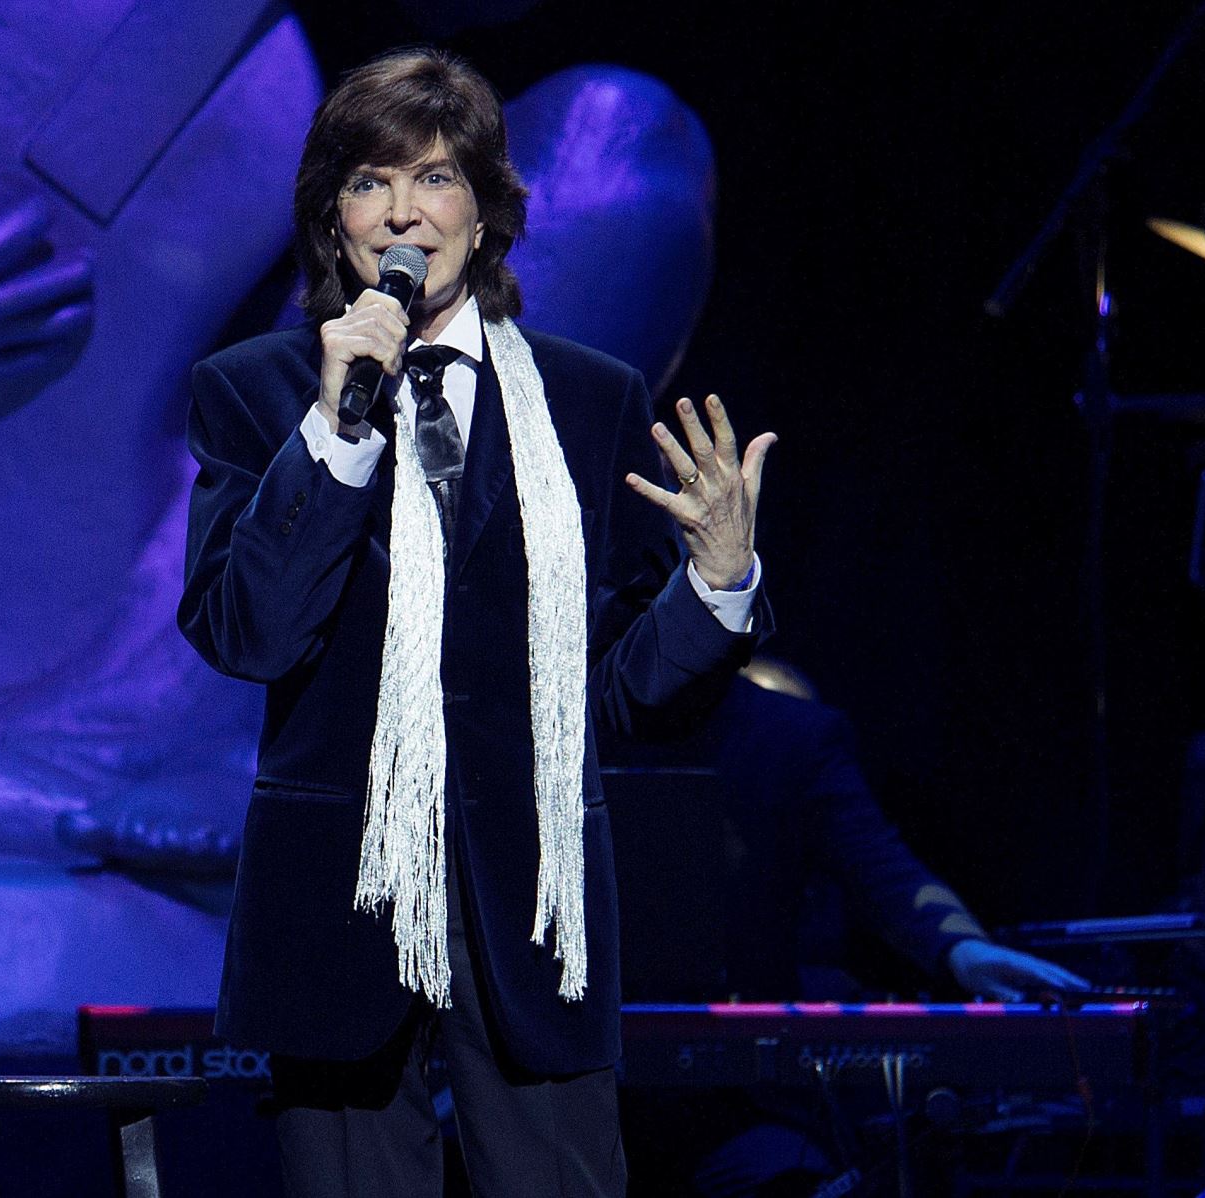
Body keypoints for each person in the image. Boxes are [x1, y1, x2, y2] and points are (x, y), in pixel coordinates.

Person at [177, 47, 776, 1197]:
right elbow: (247, 632)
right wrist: (338, 431)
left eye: (436, 177)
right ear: (331, 219)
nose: (403, 210)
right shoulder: (257, 394)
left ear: (488, 211)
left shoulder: (590, 400)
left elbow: (622, 691)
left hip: (531, 912)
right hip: (338, 905)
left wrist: (717, 584)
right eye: (368, 182)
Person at [605, 658, 1088, 1194]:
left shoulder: (789, 733)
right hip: (576, 1086)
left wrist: (961, 947)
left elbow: (881, 866)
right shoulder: (564, 714)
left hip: (740, 1102)